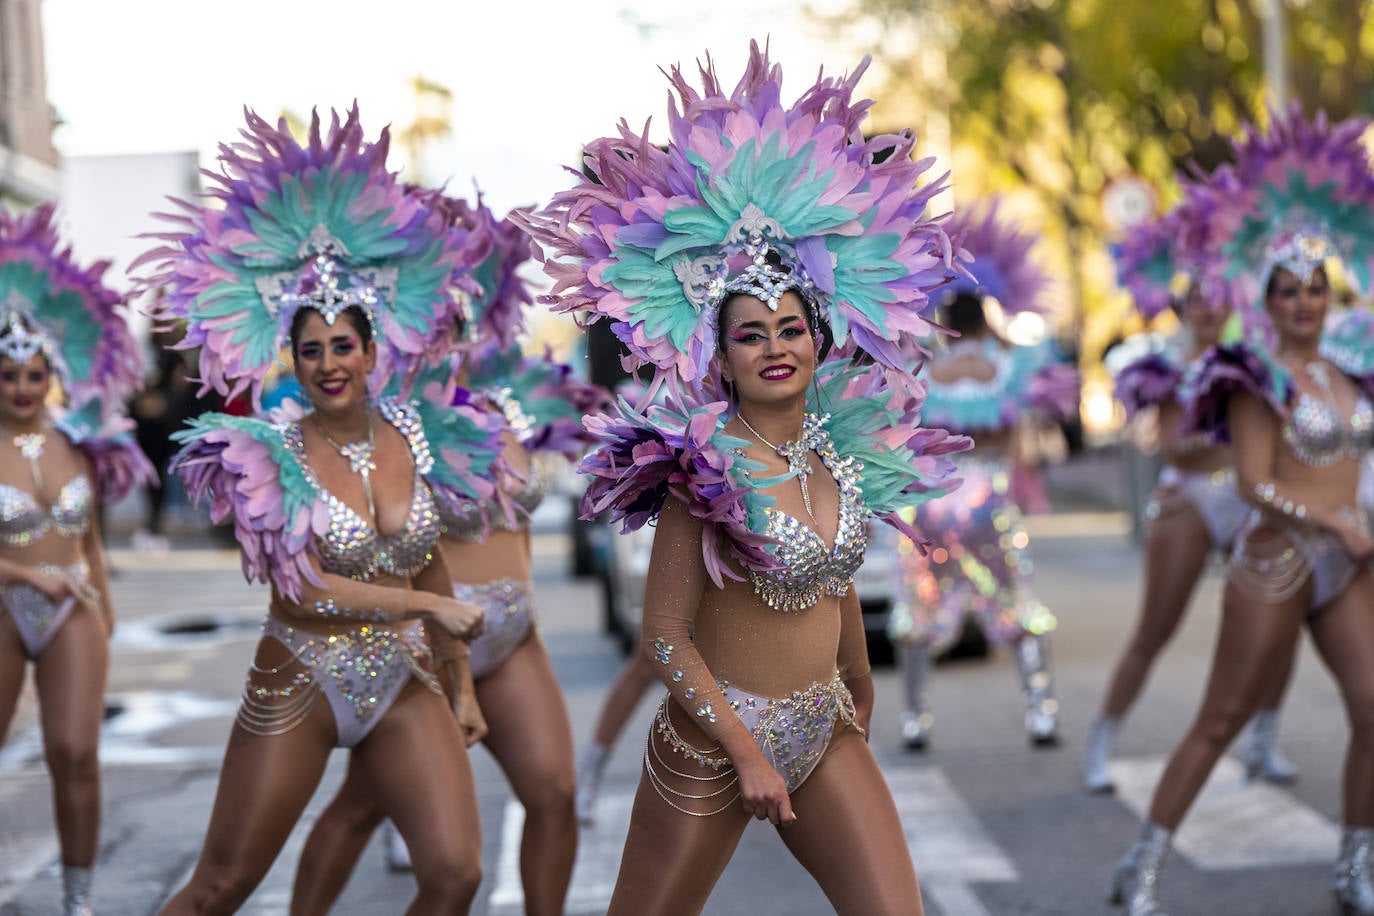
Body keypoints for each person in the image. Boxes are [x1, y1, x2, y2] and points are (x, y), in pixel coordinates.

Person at [518, 41, 969, 914]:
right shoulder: (701, 463)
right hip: (709, 746)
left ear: (820, 339)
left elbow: (834, 588)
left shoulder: (838, 452)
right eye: (751, 333)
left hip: (823, 728)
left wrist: (862, 690)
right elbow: (664, 637)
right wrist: (746, 752)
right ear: (719, 357)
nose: (775, 347)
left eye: (790, 328)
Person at [146, 108, 504, 916]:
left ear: (374, 353)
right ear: (293, 361)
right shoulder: (270, 455)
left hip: (400, 682)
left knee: (455, 876)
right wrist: (426, 606)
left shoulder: (415, 433)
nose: (329, 364)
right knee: (219, 888)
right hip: (300, 678)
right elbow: (303, 593)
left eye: (344, 346)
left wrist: (462, 687)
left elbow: (428, 559)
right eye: (311, 350)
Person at [291, 199, 611, 916]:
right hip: (422, 653)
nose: (446, 338)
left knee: (554, 794)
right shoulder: (384, 426)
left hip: (511, 635)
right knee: (362, 809)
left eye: (457, 321)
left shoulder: (503, 410)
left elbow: (519, 522)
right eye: (429, 323)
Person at [1109, 107, 1374, 916]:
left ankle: (1352, 867)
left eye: (1315, 289)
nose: (1304, 303)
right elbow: (1255, 482)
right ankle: (1141, 863)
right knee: (1221, 717)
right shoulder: (1253, 374)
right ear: (1267, 299)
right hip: (1277, 560)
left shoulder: (1348, 370)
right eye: (1288, 291)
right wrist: (1328, 521)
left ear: (1332, 294)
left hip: (1349, 566)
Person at [1085, 205, 1298, 795]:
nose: (1209, 307)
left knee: (1277, 623)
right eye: (1198, 299)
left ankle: (1264, 740)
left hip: (1249, 498)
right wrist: (1235, 447)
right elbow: (1180, 448)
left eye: (1217, 298)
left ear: (1231, 304)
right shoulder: (1163, 363)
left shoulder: (1251, 362)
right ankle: (1102, 739)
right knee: (1155, 628)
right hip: (1189, 500)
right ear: (1182, 306)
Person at [0, 205, 151, 916]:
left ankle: (78, 899)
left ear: (52, 373)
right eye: (7, 375)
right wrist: (27, 576)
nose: (23, 388)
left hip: (74, 608)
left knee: (75, 753)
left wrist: (102, 597)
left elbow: (89, 530)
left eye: (33, 373)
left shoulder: (79, 440)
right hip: (5, 604)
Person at [887, 200, 1078, 749]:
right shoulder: (1013, 370)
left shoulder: (922, 371)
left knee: (916, 612)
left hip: (928, 501)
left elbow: (899, 431)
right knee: (1017, 606)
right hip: (989, 500)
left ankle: (915, 720)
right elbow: (1026, 440)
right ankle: (1041, 712)